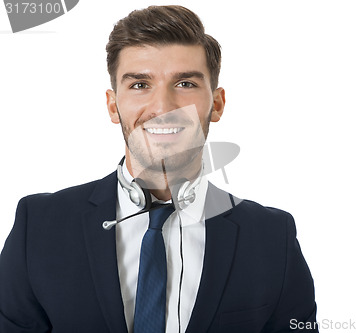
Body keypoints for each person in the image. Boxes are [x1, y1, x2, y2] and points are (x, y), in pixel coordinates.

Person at [0, 5, 317, 333]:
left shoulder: (271, 237)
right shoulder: (37, 226)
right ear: (113, 104)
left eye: (185, 84)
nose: (163, 108)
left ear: (217, 103)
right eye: (140, 85)